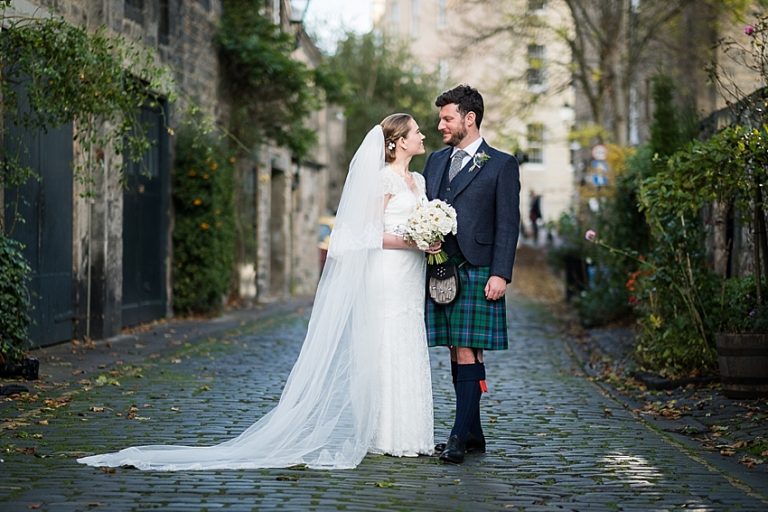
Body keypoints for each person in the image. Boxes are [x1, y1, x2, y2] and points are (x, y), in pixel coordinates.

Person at [78, 114, 436, 470]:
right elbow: (362, 234)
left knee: (407, 340)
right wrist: (414, 240)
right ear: (400, 141)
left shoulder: (418, 181)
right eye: (417, 131)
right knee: (385, 344)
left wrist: (429, 237)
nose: (423, 135)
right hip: (387, 275)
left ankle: (409, 433)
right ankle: (383, 435)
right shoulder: (381, 181)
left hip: (410, 276)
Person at [423, 85, 520, 464]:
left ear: (469, 118)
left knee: (466, 349)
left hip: (479, 268)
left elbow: (508, 224)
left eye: (447, 118)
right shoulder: (434, 161)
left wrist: (501, 274)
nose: (440, 124)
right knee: (455, 348)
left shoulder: (500, 163)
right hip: (441, 269)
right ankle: (474, 431)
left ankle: (458, 436)